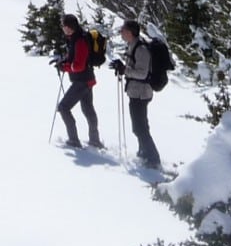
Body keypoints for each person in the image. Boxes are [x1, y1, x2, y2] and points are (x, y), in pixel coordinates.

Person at [111, 19, 161, 168]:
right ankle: (144, 153)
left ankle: (153, 159)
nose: (121, 32)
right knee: (140, 126)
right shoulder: (133, 46)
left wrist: (124, 70)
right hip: (136, 92)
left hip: (141, 93)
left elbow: (142, 73)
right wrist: (122, 67)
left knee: (140, 127)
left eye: (123, 30)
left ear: (131, 32)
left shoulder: (141, 49)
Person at [52, 13, 102, 149]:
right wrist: (63, 61)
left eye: (66, 26)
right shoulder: (76, 38)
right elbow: (74, 57)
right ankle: (95, 141)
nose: (65, 28)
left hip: (82, 81)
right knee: (88, 109)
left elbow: (78, 65)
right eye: (64, 26)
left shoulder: (79, 40)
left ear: (72, 26)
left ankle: (74, 140)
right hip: (88, 79)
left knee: (63, 107)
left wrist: (65, 67)